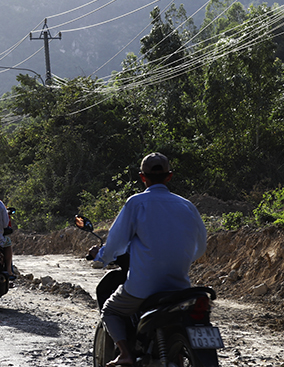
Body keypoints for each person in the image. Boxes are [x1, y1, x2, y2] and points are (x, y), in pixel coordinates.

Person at [88, 152, 207, 367]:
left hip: (144, 287)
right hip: (179, 287)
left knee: (110, 310)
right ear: (169, 177)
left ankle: (125, 353)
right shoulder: (187, 206)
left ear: (143, 178)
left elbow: (117, 243)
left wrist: (101, 256)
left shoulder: (136, 203)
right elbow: (200, 248)